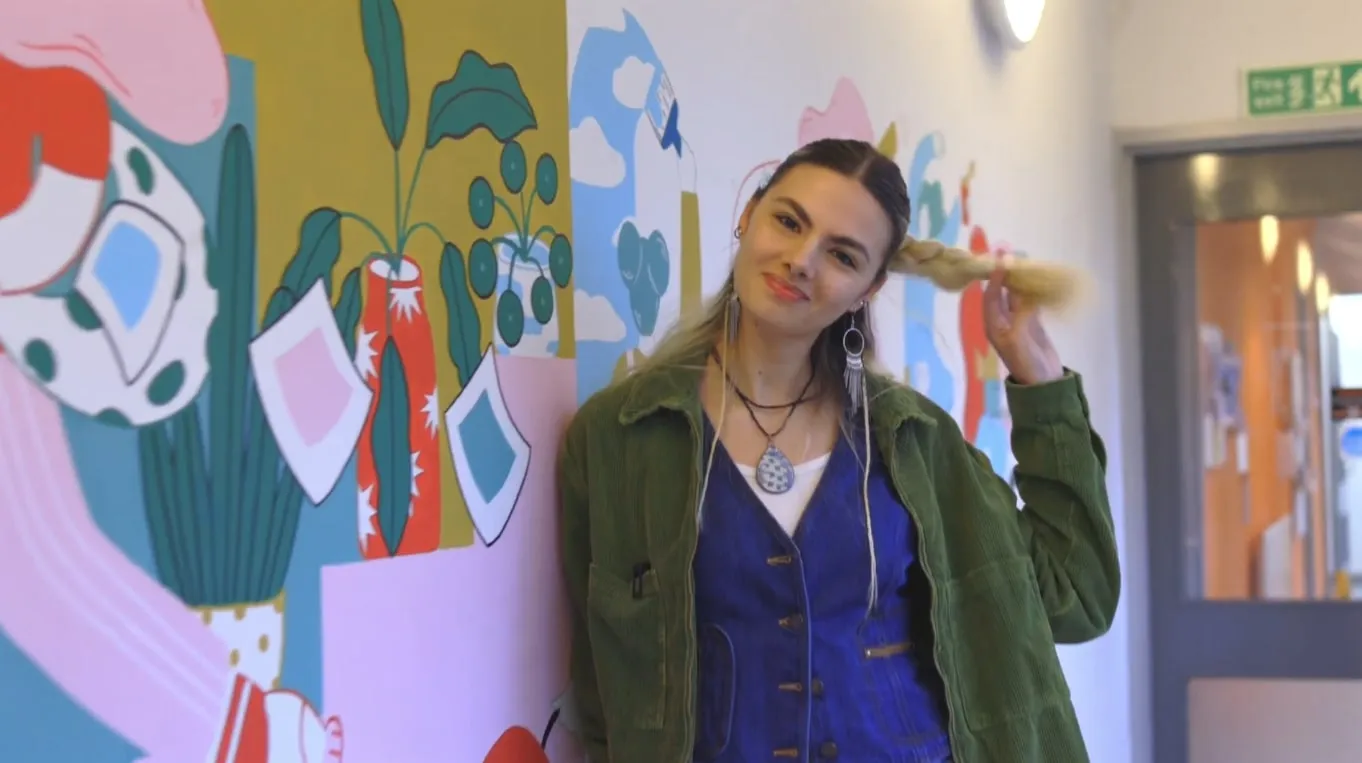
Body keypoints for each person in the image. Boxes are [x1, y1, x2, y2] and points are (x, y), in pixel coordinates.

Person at [557, 137, 1119, 763]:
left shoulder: (912, 442)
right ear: (748, 216)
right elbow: (603, 695)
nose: (802, 260)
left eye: (842, 256)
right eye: (789, 221)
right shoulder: (621, 437)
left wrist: (1040, 379)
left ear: (866, 290)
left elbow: (1076, 594)